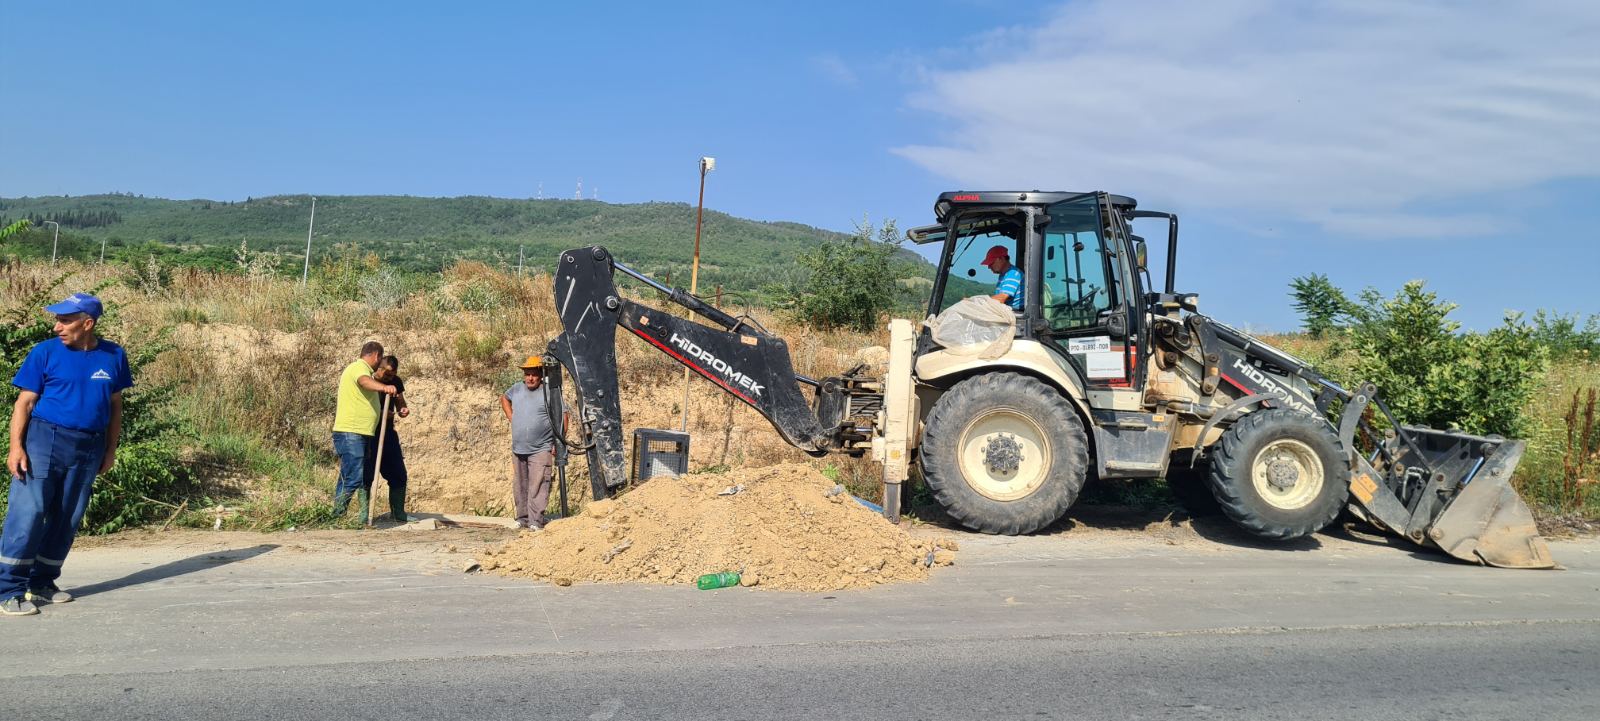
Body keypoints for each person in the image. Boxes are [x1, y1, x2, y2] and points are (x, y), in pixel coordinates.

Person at [2, 293, 132, 617]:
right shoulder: (44, 352)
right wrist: (16, 447)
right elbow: (25, 403)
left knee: (68, 515)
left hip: (89, 446)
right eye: (58, 319)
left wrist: (110, 449)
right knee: (29, 511)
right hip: (45, 440)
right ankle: (9, 589)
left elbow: (115, 406)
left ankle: (43, 582)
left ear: (87, 324)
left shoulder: (113, 355)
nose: (57, 326)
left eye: (65, 320)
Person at [331, 341, 397, 524]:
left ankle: (339, 516)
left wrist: (384, 413)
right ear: (376, 356)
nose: (379, 363)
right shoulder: (358, 368)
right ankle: (336, 516)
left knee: (350, 475)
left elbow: (364, 400)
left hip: (360, 433)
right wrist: (384, 388)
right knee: (353, 476)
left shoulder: (365, 371)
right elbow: (364, 382)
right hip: (351, 433)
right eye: (380, 359)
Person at [500, 356, 562, 530]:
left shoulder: (549, 392)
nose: (530, 378)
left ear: (541, 375)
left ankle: (535, 521)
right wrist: (512, 418)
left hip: (541, 448)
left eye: (534, 374)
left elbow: (563, 416)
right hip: (519, 448)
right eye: (527, 374)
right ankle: (522, 519)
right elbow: (504, 398)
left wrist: (558, 441)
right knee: (520, 485)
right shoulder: (517, 389)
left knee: (538, 485)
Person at [372, 354, 412, 522]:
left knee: (398, 474)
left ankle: (398, 513)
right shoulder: (369, 380)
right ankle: (363, 516)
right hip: (369, 433)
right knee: (366, 475)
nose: (389, 378)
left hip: (388, 433)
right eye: (387, 374)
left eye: (392, 375)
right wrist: (381, 414)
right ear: (379, 368)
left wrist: (402, 409)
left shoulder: (395, 382)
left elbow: (400, 402)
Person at [984, 245, 1024, 310]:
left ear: (1001, 259)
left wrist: (978, 302)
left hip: (1015, 312)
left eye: (991, 263)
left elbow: (1001, 298)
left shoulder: (1013, 273)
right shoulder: (1003, 276)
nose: (989, 267)